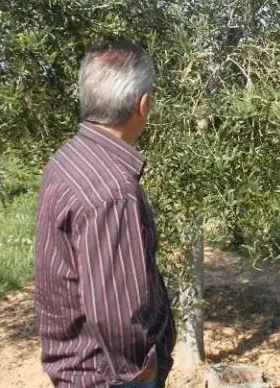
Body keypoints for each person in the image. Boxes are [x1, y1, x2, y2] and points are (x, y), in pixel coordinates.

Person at [35, 38, 176, 388]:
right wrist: (145, 371)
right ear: (143, 105)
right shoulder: (112, 192)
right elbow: (118, 318)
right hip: (110, 377)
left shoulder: (70, 157)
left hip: (79, 370)